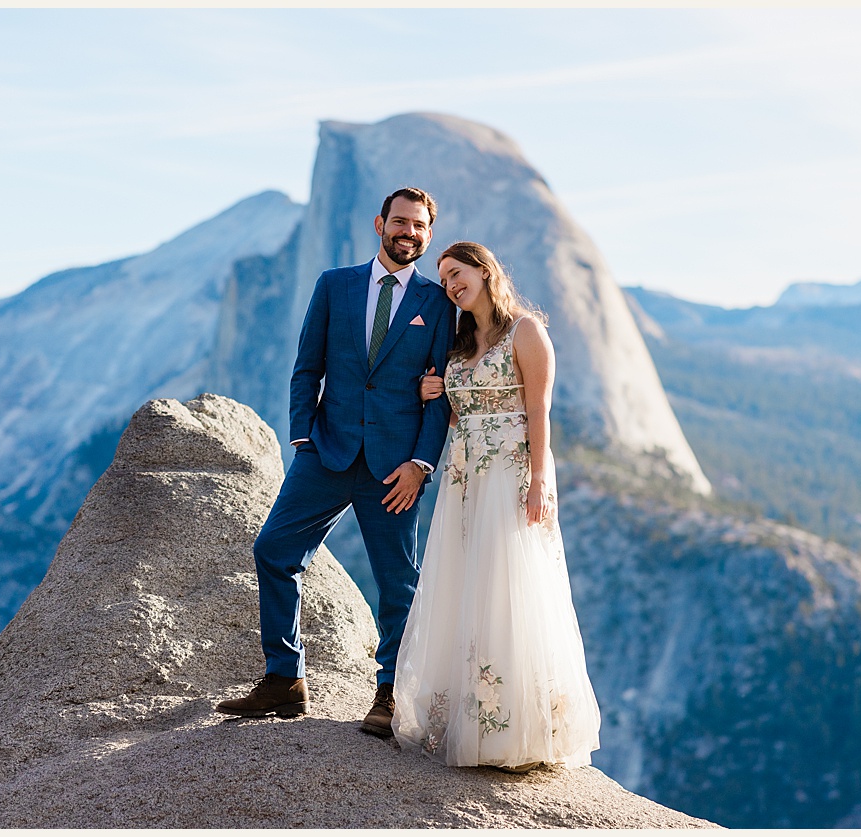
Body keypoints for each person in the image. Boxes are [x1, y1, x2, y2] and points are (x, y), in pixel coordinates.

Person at [218, 187, 456, 740]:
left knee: (398, 583)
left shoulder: (437, 302)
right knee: (274, 550)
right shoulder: (335, 285)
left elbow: (441, 391)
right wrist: (303, 438)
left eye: (419, 226)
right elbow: (307, 368)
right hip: (325, 452)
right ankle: (285, 680)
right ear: (379, 224)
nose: (409, 233)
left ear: (428, 233)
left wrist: (422, 462)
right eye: (400, 222)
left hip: (394, 469)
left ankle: (390, 692)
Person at [391, 241, 601, 772]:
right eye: (443, 280)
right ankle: (467, 720)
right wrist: (430, 395)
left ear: (485, 272)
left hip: (510, 474)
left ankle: (514, 729)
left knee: (510, 587)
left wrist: (539, 482)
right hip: (464, 477)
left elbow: (538, 413)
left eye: (457, 274)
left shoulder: (526, 331)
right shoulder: (460, 344)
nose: (450, 286)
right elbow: (462, 419)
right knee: (466, 585)